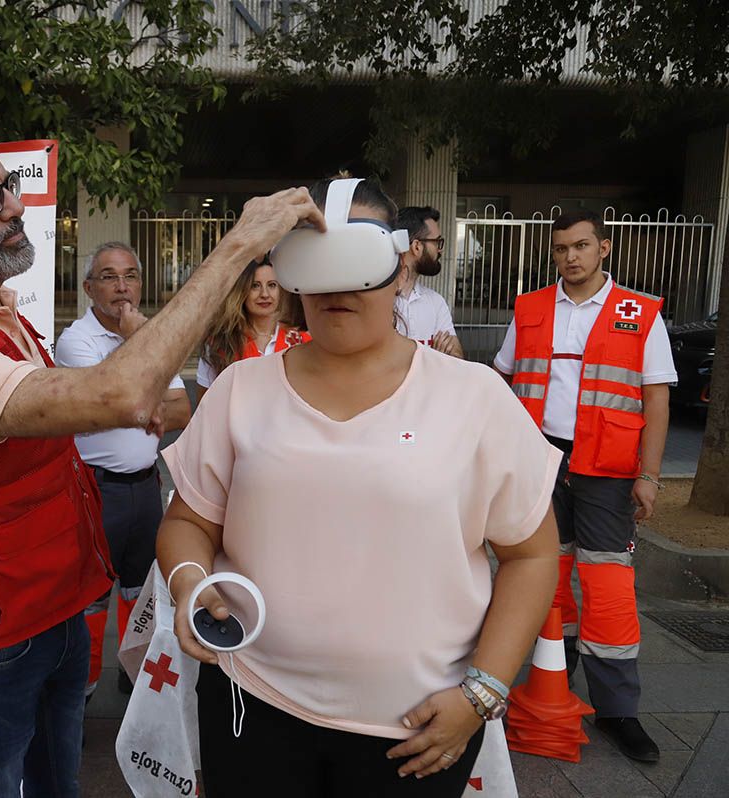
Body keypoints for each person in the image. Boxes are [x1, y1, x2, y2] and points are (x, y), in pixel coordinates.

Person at [0, 116, 326, 798]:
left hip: (61, 603)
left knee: (60, 778)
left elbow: (155, 408)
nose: (14, 206)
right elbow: (124, 393)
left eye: (7, 186)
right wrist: (238, 246)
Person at [158, 177, 561, 798]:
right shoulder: (241, 390)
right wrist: (191, 587)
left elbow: (530, 554)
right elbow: (190, 521)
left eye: (359, 263)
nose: (337, 287)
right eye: (317, 263)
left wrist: (483, 691)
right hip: (253, 704)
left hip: (414, 731)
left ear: (403, 267)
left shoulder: (473, 397)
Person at [493, 208, 676, 762]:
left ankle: (619, 711)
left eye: (580, 246)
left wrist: (649, 474)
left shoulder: (639, 313)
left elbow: (656, 397)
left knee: (609, 588)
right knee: (544, 577)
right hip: (541, 463)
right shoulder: (529, 308)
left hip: (607, 472)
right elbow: (502, 380)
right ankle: (547, 686)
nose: (569, 257)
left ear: (605, 248)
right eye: (560, 249)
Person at [55, 241, 191, 697]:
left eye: (130, 276)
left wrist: (141, 347)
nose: (121, 287)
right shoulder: (77, 340)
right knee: (91, 597)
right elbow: (115, 401)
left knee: (142, 592)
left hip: (144, 488)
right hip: (97, 490)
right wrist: (142, 373)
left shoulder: (147, 334)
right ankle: (83, 689)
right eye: (110, 277)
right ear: (90, 287)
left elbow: (180, 411)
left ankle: (133, 678)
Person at [195, 258, 309, 402]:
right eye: (255, 286)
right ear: (242, 291)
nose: (265, 294)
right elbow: (205, 406)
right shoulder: (218, 342)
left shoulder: (302, 340)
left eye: (272, 285)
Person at [393, 206, 463, 357]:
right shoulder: (380, 300)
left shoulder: (436, 303)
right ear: (417, 247)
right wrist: (434, 358)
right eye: (437, 242)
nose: (440, 250)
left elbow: (457, 357)